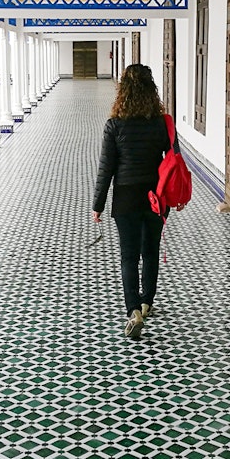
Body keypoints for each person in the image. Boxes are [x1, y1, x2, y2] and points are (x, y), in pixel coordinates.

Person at [92, 64, 171, 340]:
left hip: (125, 196)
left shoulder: (114, 125)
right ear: (152, 90)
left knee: (129, 255)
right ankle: (147, 301)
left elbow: (106, 168)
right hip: (155, 197)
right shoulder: (162, 122)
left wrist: (98, 204)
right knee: (150, 250)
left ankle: (133, 310)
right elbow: (172, 160)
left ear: (122, 91)